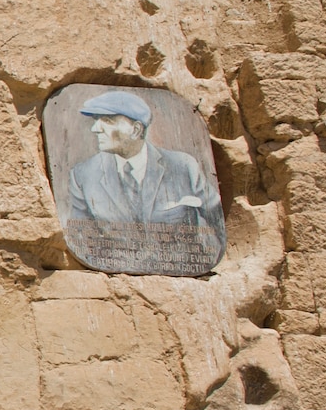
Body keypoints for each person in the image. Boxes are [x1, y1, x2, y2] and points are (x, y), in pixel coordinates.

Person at [63, 90, 226, 275]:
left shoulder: (182, 166)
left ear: (136, 130)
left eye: (107, 121)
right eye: (95, 120)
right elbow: (80, 237)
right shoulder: (83, 175)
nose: (96, 128)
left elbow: (217, 223)